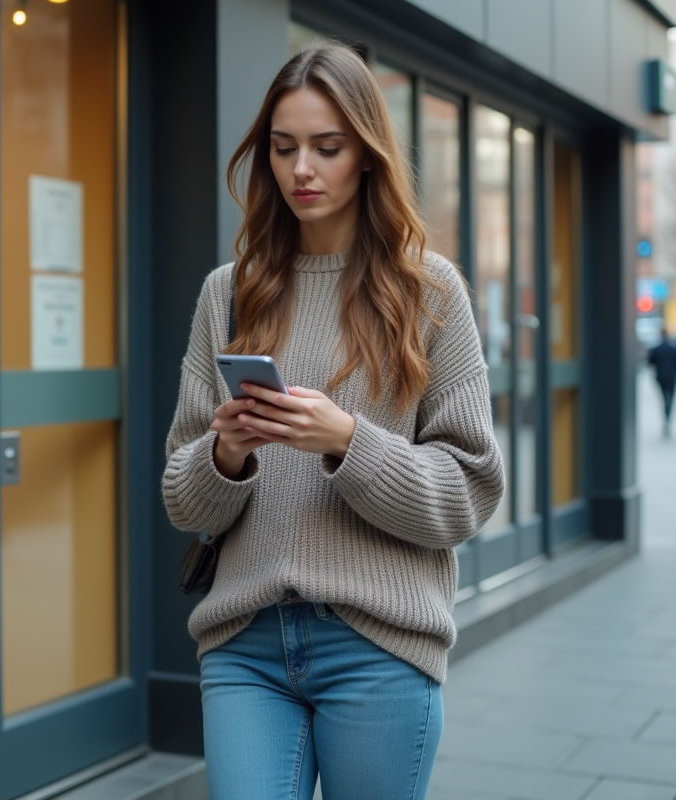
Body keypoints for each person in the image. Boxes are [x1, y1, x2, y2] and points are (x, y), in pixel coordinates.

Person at [161, 42, 504, 800]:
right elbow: (183, 498)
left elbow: (469, 491)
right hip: (245, 643)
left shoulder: (430, 293)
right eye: (283, 148)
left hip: (378, 644)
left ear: (369, 156)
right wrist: (226, 453)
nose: (300, 170)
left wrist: (347, 442)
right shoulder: (229, 294)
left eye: (327, 147)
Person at [646, 326, 676, 436]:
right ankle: (668, 417)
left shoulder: (656, 348)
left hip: (661, 377)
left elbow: (650, 362)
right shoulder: (675, 348)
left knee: (664, 398)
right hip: (673, 377)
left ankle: (666, 417)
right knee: (671, 398)